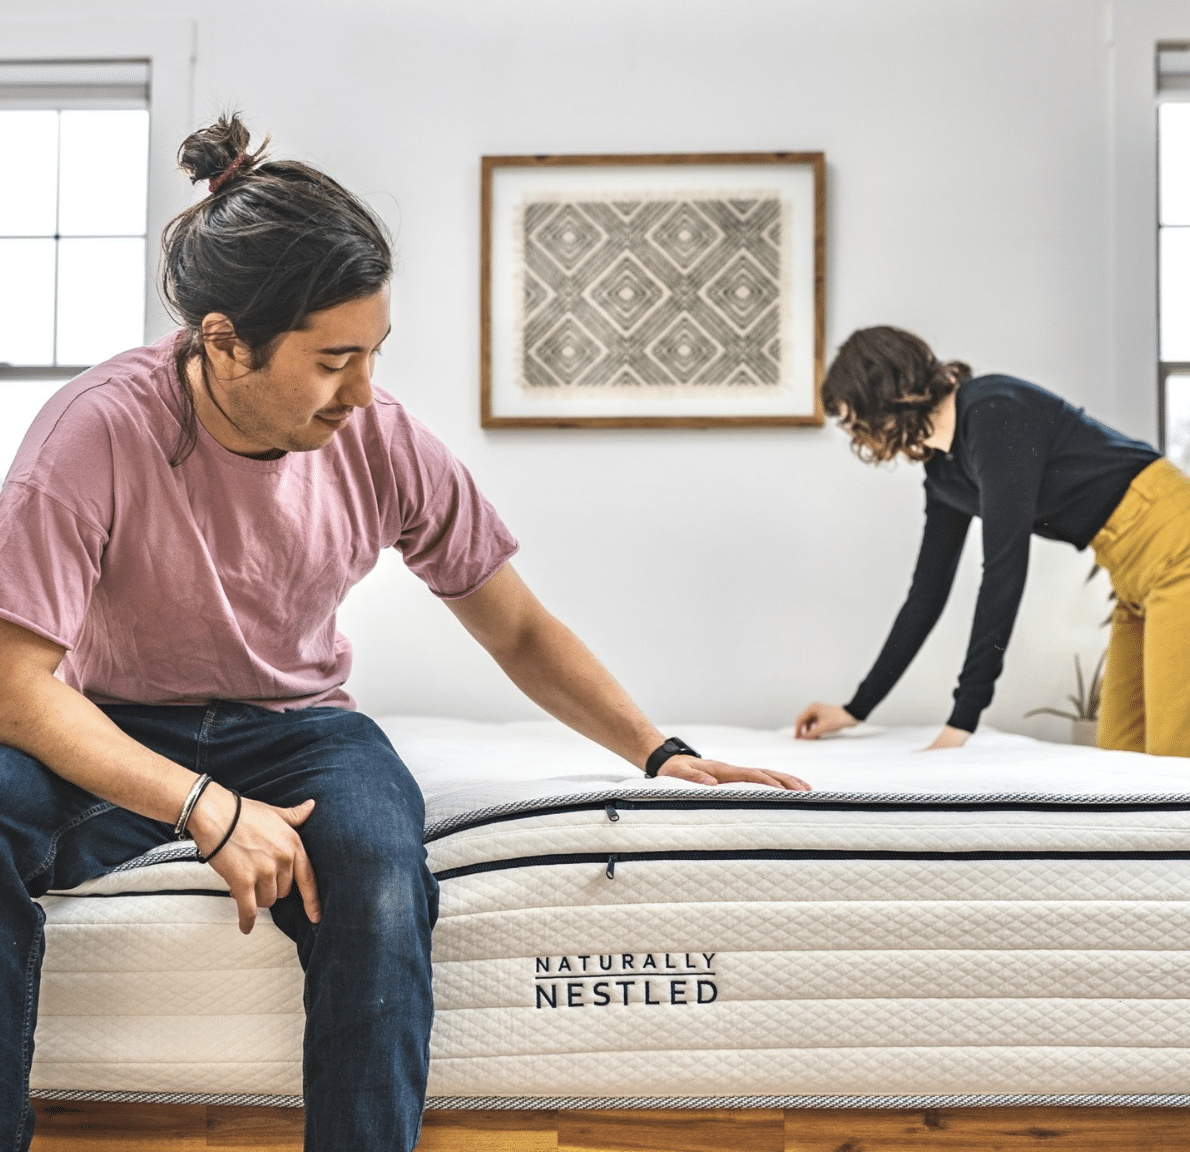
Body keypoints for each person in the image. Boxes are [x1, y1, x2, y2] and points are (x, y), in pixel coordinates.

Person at [0, 114, 809, 1152]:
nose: (365, 391)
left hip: (299, 730)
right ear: (222, 342)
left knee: (383, 886)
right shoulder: (95, 431)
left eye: (375, 353)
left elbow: (513, 627)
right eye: (335, 359)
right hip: (110, 723)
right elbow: (19, 688)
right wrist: (202, 805)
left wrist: (658, 751)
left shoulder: (378, 440)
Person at [795, 324, 1190, 757]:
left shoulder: (994, 410)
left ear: (884, 395)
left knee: (1172, 753)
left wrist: (962, 721)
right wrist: (857, 708)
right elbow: (926, 596)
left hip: (1174, 535)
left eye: (855, 419)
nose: (855, 434)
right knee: (1121, 752)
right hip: (1130, 569)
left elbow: (1004, 569)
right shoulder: (943, 474)